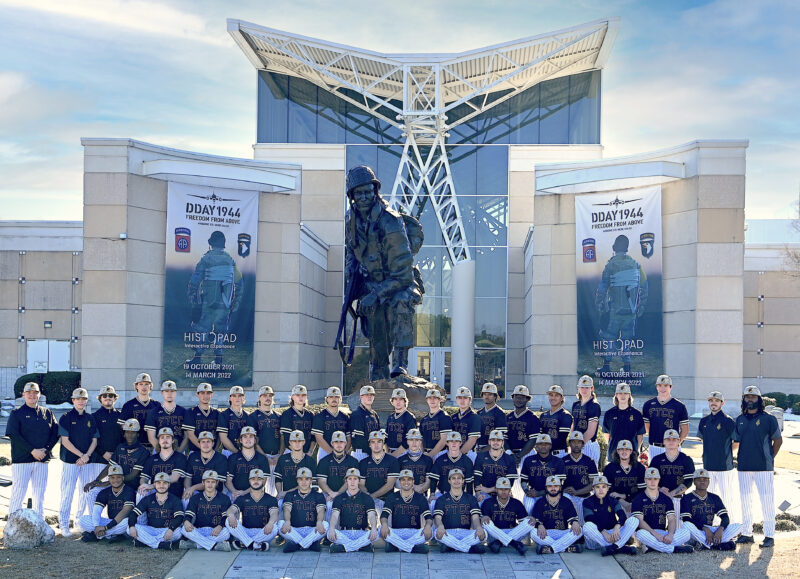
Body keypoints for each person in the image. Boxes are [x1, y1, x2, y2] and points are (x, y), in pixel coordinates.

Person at [343, 165, 422, 379]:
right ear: (352, 196)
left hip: (399, 282)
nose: (364, 197)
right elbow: (351, 250)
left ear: (375, 191)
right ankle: (378, 369)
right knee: (374, 317)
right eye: (359, 193)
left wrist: (376, 294)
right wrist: (351, 273)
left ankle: (400, 363)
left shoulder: (390, 220)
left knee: (401, 303)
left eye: (368, 191)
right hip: (372, 283)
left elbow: (402, 274)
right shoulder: (350, 219)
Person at [185, 229, 243, 366]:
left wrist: (192, 294)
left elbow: (196, 279)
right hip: (225, 303)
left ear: (211, 243)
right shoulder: (230, 261)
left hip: (208, 301)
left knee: (202, 329)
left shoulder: (206, 259)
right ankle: (218, 360)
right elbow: (239, 283)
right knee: (220, 331)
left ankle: (198, 358)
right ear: (223, 244)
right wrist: (235, 302)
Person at [734, 385, 782, 548]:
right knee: (745, 501)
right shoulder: (739, 419)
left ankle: (769, 535)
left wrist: (770, 458)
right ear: (744, 400)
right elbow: (736, 441)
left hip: (763, 467)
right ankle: (747, 533)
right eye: (747, 397)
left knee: (767, 501)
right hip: (744, 466)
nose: (750, 399)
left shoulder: (769, 419)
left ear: (759, 400)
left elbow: (778, 440)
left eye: (753, 397)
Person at [595, 233, 648, 375]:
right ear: (627, 248)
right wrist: (641, 306)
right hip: (631, 312)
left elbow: (602, 288)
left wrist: (599, 304)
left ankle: (606, 365)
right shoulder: (636, 265)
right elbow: (644, 286)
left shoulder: (610, 266)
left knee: (609, 338)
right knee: (626, 340)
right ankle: (627, 367)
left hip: (614, 311)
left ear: (614, 247)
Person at [58, 387, 99, 536]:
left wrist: (87, 456)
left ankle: (78, 522)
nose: (81, 401)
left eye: (84, 399)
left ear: (86, 401)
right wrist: (81, 455)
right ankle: (64, 524)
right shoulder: (66, 417)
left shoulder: (90, 418)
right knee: (67, 492)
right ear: (73, 400)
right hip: (71, 462)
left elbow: (94, 440)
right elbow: (65, 441)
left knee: (85, 492)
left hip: (87, 461)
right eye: (78, 399)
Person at [698, 390, 740, 523]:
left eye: (716, 401)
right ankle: (713, 525)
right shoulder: (704, 421)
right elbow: (704, 440)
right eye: (711, 400)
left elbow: (737, 442)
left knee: (726, 498)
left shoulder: (728, 421)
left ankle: (730, 525)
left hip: (724, 467)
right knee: (710, 499)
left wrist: (724, 452)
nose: (713, 403)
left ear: (722, 403)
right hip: (708, 466)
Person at [631, 467, 692, 554]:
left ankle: (654, 547)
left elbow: (671, 519)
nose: (652, 482)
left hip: (662, 533)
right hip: (647, 532)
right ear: (645, 480)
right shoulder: (638, 498)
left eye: (655, 479)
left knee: (686, 533)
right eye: (649, 479)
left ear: (659, 480)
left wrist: (670, 534)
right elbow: (640, 522)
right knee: (640, 534)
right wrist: (655, 534)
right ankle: (673, 549)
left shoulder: (665, 498)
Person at [680, 468, 740, 551]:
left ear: (709, 481)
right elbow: (686, 519)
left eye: (705, 479)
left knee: (737, 526)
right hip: (697, 530)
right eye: (699, 479)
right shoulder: (687, 498)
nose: (702, 482)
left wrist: (720, 529)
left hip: (711, 529)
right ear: (694, 481)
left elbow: (725, 517)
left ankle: (708, 544)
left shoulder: (714, 497)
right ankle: (718, 544)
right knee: (686, 525)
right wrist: (705, 529)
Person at [85, 418, 149, 494]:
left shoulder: (143, 451)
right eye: (127, 432)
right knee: (92, 492)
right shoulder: (120, 447)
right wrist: (96, 481)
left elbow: (132, 475)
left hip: (133, 486)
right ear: (124, 434)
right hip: (117, 483)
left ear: (138, 434)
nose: (130, 435)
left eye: (133, 432)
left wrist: (109, 482)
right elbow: (110, 466)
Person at [582, 475, 639, 556]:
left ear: (608, 488)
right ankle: (619, 548)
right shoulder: (587, 501)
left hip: (613, 534)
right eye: (597, 487)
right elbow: (589, 519)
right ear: (593, 488)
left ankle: (613, 548)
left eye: (603, 487)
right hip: (597, 536)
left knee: (634, 520)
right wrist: (603, 532)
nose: (601, 490)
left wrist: (617, 526)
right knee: (587, 526)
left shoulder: (613, 500)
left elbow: (622, 515)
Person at [433, 469, 487, 554]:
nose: (456, 481)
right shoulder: (441, 499)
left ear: (463, 481)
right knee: (436, 533)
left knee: (485, 534)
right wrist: (440, 526)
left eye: (459, 478)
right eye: (453, 478)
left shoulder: (471, 498)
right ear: (449, 481)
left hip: (465, 532)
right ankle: (469, 549)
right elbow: (437, 518)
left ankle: (451, 546)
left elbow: (475, 518)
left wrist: (479, 527)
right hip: (448, 532)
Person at [225, 468, 280, 551]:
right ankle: (255, 545)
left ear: (263, 480)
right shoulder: (242, 498)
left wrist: (270, 523)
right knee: (228, 520)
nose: (256, 481)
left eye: (259, 479)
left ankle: (245, 543)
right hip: (246, 531)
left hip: (263, 531)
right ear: (249, 481)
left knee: (275, 527)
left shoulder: (270, 499)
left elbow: (274, 514)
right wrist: (231, 515)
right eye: (253, 479)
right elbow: (231, 510)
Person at [78, 464, 136, 543]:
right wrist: (96, 526)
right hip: (111, 522)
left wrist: (105, 528)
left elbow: (125, 512)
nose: (115, 480)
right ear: (109, 479)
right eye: (112, 477)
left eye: (118, 477)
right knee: (83, 519)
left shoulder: (129, 491)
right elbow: (96, 511)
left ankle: (96, 534)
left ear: (123, 478)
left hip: (122, 523)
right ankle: (107, 533)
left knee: (127, 521)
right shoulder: (104, 492)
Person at [380, 469, 433, 553]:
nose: (406, 482)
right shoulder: (392, 496)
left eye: (409, 480)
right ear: (399, 482)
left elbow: (428, 517)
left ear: (413, 481)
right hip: (396, 532)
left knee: (431, 531)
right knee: (381, 529)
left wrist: (428, 526)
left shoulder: (420, 497)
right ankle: (414, 548)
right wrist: (384, 525)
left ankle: (396, 546)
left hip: (414, 532)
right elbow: (384, 515)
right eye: (403, 480)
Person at [127, 471, 184, 550]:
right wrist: (132, 527)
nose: (161, 486)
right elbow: (133, 513)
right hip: (151, 529)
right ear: (154, 484)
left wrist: (171, 529)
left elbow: (179, 517)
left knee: (179, 531)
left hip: (166, 530)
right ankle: (159, 544)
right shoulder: (148, 499)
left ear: (169, 484)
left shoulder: (175, 500)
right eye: (158, 483)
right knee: (129, 528)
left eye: (164, 483)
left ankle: (144, 542)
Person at [648, 429, 694, 523]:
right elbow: (649, 479)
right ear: (664, 441)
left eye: (674, 439)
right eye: (668, 439)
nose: (671, 442)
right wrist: (659, 489)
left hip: (678, 498)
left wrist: (671, 494)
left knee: (677, 529)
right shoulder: (656, 459)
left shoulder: (686, 459)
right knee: (656, 526)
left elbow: (689, 482)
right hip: (659, 497)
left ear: (679, 441)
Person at [328, 468, 379, 553]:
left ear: (359, 481)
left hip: (361, 532)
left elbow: (371, 515)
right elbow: (334, 515)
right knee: (329, 534)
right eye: (350, 479)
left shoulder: (366, 497)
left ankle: (344, 548)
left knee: (377, 533)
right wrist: (332, 528)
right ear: (346, 481)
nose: (352, 482)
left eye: (355, 479)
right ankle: (361, 546)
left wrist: (373, 528)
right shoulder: (339, 498)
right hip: (344, 532)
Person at [530, 475, 583, 554]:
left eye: (556, 486)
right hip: (546, 533)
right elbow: (536, 519)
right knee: (533, 532)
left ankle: (550, 549)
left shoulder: (566, 501)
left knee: (580, 529)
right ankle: (567, 548)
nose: (553, 488)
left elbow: (573, 518)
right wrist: (539, 525)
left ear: (560, 488)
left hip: (562, 533)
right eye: (550, 486)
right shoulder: (540, 502)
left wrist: (575, 522)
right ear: (546, 488)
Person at [279, 467, 328, 552]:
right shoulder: (290, 495)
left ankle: (297, 545)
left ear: (311, 480)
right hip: (294, 529)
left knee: (326, 525)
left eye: (307, 479)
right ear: (297, 480)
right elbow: (287, 510)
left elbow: (320, 511)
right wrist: (287, 521)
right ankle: (309, 544)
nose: (304, 482)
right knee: (280, 524)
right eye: (301, 479)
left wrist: (319, 521)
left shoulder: (318, 495)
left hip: (312, 529)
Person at [180, 470, 232, 551]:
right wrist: (186, 521)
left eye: (213, 482)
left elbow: (225, 517)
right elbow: (189, 514)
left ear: (217, 483)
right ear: (203, 482)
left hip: (215, 530)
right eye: (208, 482)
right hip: (199, 530)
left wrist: (220, 526)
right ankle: (215, 546)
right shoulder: (195, 498)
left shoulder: (224, 498)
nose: (210, 485)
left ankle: (196, 544)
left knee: (226, 532)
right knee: (184, 529)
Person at [89, 385, 123, 507]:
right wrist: (104, 453)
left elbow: (124, 438)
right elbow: (92, 439)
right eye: (104, 396)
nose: (108, 398)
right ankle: (93, 516)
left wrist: (117, 454)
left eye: (111, 395)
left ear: (115, 398)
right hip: (99, 459)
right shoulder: (94, 417)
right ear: (100, 399)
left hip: (117, 460)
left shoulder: (121, 416)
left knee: (114, 491)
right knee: (95, 488)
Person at [480, 476, 531, 555]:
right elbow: (483, 522)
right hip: (494, 534)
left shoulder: (516, 503)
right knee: (485, 523)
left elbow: (523, 522)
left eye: (506, 489)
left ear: (510, 490)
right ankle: (514, 544)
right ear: (496, 489)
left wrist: (530, 519)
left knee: (529, 522)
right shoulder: (488, 502)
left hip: (512, 532)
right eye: (501, 489)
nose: (503, 492)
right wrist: (484, 517)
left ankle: (499, 543)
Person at [642, 375, 689, 460]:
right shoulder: (648, 405)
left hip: (673, 448)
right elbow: (647, 427)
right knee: (654, 469)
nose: (662, 388)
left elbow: (685, 429)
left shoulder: (679, 405)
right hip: (654, 447)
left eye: (666, 385)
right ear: (656, 387)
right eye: (660, 385)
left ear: (671, 387)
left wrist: (676, 443)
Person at [247, 385, 283, 495]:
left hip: (276, 457)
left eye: (270, 396)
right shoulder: (253, 417)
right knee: (260, 491)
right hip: (260, 458)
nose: (268, 398)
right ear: (259, 398)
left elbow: (283, 438)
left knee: (275, 492)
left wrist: (280, 455)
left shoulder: (278, 416)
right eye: (265, 396)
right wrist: (265, 457)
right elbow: (253, 440)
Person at [317, 430, 359, 519]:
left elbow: (351, 482)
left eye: (341, 442)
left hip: (347, 493)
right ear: (332, 443)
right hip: (328, 493)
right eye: (336, 442)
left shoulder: (353, 461)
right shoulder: (324, 461)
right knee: (327, 505)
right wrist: (331, 493)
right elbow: (321, 481)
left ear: (345, 443)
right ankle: (326, 527)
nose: (339, 444)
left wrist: (338, 493)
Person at [520, 434, 566, 513]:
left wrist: (539, 493)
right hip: (532, 493)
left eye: (546, 444)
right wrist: (527, 491)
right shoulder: (528, 460)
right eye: (540, 444)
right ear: (536, 446)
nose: (543, 446)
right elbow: (523, 480)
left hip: (551, 494)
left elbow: (560, 485)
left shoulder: (558, 461)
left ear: (550, 446)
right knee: (529, 506)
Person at [138, 427, 188, 500]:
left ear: (173, 440)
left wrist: (152, 486)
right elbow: (144, 478)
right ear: (158, 441)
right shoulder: (152, 459)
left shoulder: (180, 457)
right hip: (155, 492)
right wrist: (144, 485)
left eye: (168, 437)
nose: (165, 440)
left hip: (173, 494)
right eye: (162, 438)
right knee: (141, 492)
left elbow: (175, 477)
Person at [359, 430, 400, 513]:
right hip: (368, 500)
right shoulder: (363, 462)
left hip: (386, 501)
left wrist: (372, 496)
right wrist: (367, 496)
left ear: (383, 443)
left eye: (379, 441)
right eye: (373, 442)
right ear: (369, 444)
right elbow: (361, 484)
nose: (376, 445)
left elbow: (389, 485)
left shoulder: (392, 461)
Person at [562, 431, 598, 524]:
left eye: (579, 442)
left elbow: (593, 484)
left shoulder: (589, 461)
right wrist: (563, 490)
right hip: (569, 496)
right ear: (570, 444)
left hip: (584, 497)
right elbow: (557, 483)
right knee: (564, 497)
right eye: (573, 442)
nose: (576, 444)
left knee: (582, 524)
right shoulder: (563, 461)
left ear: (582, 444)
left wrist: (577, 492)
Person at [602, 383, 644, 462]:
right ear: (616, 395)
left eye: (625, 393)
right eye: (620, 393)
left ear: (629, 395)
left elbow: (640, 435)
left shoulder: (637, 414)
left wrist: (636, 450)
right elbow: (606, 435)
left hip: (631, 455)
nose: (623, 396)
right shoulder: (609, 414)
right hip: (614, 454)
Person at [474, 430, 518, 505]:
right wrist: (478, 494)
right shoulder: (481, 456)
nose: (496, 442)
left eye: (498, 440)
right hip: (485, 493)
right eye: (493, 440)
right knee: (480, 503)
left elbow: (510, 482)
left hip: (503, 493)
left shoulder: (509, 459)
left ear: (502, 442)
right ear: (489, 442)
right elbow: (477, 479)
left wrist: (489, 489)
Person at [183, 431, 227, 505]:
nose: (205, 444)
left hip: (214, 492)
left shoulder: (221, 458)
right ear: (199, 444)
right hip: (195, 492)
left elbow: (216, 483)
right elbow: (188, 477)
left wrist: (193, 488)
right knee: (185, 500)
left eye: (208, 442)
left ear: (213, 443)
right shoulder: (193, 456)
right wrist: (188, 489)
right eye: (203, 442)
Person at [228, 426, 271, 501]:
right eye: (245, 437)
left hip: (255, 493)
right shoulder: (233, 458)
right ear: (240, 440)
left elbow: (263, 482)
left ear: (255, 440)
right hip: (235, 493)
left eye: (251, 436)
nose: (248, 439)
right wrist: (234, 492)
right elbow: (228, 480)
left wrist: (244, 493)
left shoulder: (262, 459)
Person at [430, 432, 475, 502]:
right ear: (447, 443)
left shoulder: (467, 461)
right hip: (442, 494)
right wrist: (432, 494)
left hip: (461, 495)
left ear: (460, 443)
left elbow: (469, 484)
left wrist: (470, 498)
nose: (454, 443)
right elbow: (434, 479)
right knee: (432, 503)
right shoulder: (440, 459)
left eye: (456, 441)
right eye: (451, 441)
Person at [602, 440, 645, 513]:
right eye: (621, 449)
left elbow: (643, 490)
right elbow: (607, 490)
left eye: (627, 449)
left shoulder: (639, 467)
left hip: (635, 501)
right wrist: (621, 500)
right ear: (617, 451)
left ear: (631, 451)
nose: (624, 452)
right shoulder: (609, 468)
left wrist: (625, 496)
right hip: (616, 502)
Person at [119, 373, 161, 448]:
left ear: (151, 386)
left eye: (146, 384)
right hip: (135, 446)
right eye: (141, 384)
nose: (144, 387)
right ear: (136, 386)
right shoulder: (129, 405)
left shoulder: (157, 405)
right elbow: (122, 425)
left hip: (153, 446)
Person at [145, 380, 187, 452]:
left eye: (172, 391)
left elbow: (187, 436)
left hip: (179, 450)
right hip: (159, 451)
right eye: (166, 391)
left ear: (175, 392)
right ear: (162, 393)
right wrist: (162, 452)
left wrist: (179, 453)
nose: (169, 394)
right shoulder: (153, 412)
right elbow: (151, 438)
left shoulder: (183, 412)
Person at [274, 430, 316, 502]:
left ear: (304, 442)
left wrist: (286, 493)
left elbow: (311, 484)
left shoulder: (310, 461)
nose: (297, 443)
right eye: (294, 441)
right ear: (290, 442)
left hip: (305, 498)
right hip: (285, 498)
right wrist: (280, 493)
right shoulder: (283, 459)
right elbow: (278, 479)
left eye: (299, 441)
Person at [311, 386, 350, 463]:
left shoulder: (345, 417)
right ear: (327, 399)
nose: (334, 399)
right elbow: (319, 438)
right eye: (331, 397)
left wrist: (343, 453)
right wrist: (333, 453)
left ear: (340, 399)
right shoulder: (320, 416)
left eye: (336, 397)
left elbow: (348, 438)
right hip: (325, 452)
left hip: (342, 452)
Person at [570, 375, 602, 464]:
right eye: (582, 387)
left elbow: (591, 431)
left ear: (592, 388)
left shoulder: (594, 405)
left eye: (587, 387)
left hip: (588, 444)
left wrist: (579, 445)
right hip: (576, 444)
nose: (584, 390)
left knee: (589, 471)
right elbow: (573, 425)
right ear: (578, 388)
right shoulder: (575, 405)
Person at [506, 385, 540, 464]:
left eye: (522, 397)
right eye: (517, 397)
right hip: (510, 454)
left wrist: (519, 455)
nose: (519, 400)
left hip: (527, 454)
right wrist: (509, 453)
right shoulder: (508, 417)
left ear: (527, 399)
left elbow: (533, 440)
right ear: (513, 398)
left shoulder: (533, 417)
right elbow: (504, 438)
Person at [182, 382, 219, 454]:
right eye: (202, 393)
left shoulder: (217, 413)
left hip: (213, 452)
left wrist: (215, 451)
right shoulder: (190, 412)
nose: (205, 396)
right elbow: (190, 435)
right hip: (195, 451)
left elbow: (220, 435)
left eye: (208, 393)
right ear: (197, 395)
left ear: (211, 395)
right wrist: (205, 449)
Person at [279, 385, 315, 456]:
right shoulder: (287, 414)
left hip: (307, 454)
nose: (301, 397)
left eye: (303, 395)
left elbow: (313, 437)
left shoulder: (310, 414)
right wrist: (299, 454)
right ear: (292, 397)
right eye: (298, 395)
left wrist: (310, 452)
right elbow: (286, 439)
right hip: (291, 453)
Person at [349, 384, 380, 461]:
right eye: (366, 395)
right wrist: (374, 452)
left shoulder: (374, 414)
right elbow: (359, 440)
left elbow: (378, 435)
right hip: (361, 453)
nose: (369, 397)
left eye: (371, 395)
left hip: (372, 452)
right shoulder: (357, 414)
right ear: (361, 397)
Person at [539, 385, 572, 457]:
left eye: (556, 395)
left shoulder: (565, 415)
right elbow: (540, 436)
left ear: (562, 398)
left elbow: (561, 439)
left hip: (559, 454)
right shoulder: (543, 415)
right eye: (551, 395)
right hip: (544, 453)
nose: (553, 398)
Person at [450, 386, 481, 460]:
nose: (462, 400)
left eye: (465, 398)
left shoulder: (475, 417)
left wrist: (458, 456)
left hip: (469, 454)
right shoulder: (453, 417)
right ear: (456, 399)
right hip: (452, 454)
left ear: (470, 400)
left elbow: (472, 440)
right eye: (460, 398)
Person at [397, 428, 432, 495]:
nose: (414, 443)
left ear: (420, 441)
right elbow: (396, 482)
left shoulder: (428, 460)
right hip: (404, 495)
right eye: (411, 440)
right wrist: (413, 487)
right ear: (407, 441)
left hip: (422, 494)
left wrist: (422, 488)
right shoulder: (400, 459)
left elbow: (429, 481)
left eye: (417, 440)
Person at [419, 389, 452, 459]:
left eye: (435, 398)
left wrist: (430, 455)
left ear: (440, 400)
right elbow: (420, 440)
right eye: (430, 398)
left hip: (441, 454)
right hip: (425, 454)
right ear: (427, 400)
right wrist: (423, 454)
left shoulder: (445, 417)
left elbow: (444, 440)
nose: (432, 400)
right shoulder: (424, 419)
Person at [218, 385, 249, 456]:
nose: (237, 398)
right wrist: (237, 452)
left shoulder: (247, 415)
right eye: (234, 396)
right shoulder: (224, 415)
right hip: (228, 452)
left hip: (244, 452)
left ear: (243, 398)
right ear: (230, 398)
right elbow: (223, 438)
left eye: (240, 396)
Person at [385, 388, 417, 457]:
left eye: (400, 399)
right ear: (392, 402)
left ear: (405, 401)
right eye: (395, 399)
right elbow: (386, 437)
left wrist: (394, 455)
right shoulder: (390, 417)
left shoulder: (410, 417)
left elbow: (409, 440)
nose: (398, 402)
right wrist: (388, 453)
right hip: (390, 453)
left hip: (404, 453)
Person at [476, 382, 507, 452]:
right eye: (484, 394)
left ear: (495, 396)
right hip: (478, 448)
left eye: (490, 394)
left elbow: (500, 437)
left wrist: (484, 450)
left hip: (494, 450)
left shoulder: (500, 413)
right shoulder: (479, 413)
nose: (486, 397)